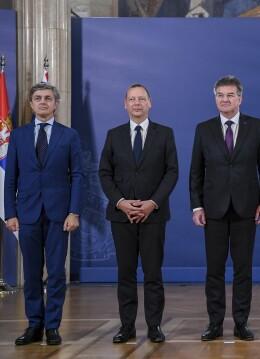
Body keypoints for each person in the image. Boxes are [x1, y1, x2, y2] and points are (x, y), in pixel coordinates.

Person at [189, 75, 260, 341]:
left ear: (240, 98)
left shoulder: (256, 126)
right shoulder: (203, 129)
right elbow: (195, 172)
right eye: (220, 95)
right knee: (214, 270)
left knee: (242, 269)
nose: (224, 100)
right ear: (215, 99)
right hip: (212, 209)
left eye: (230, 95)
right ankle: (215, 323)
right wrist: (196, 206)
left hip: (246, 208)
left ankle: (240, 323)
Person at [4, 83, 83, 346]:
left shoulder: (69, 136)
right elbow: (11, 178)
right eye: (38, 98)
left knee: (57, 273)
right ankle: (34, 325)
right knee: (32, 272)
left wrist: (74, 211)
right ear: (30, 104)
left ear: (56, 104)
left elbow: (79, 177)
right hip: (26, 214)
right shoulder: (18, 136)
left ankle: (52, 326)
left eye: (48, 98)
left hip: (60, 215)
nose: (43, 102)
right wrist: (10, 213)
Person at [99, 83, 178, 344]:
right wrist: (120, 201)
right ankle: (127, 326)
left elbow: (171, 172)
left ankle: (154, 326)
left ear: (150, 103)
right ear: (124, 104)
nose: (136, 103)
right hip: (121, 216)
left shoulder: (165, 134)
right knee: (126, 273)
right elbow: (104, 173)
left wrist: (152, 203)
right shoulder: (114, 135)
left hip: (153, 215)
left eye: (141, 99)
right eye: (132, 99)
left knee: (153, 273)